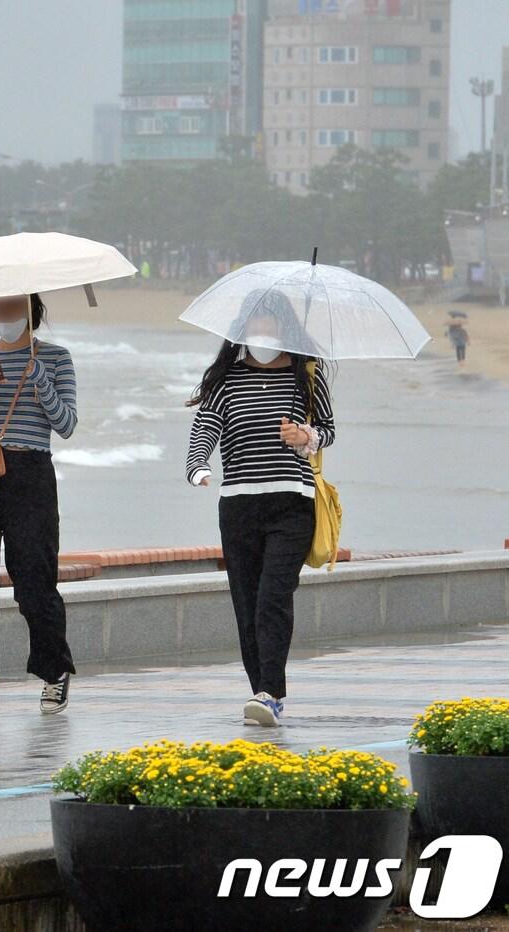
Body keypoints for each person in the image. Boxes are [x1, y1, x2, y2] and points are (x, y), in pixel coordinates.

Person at [185, 290, 335, 727]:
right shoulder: (226, 379)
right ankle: (262, 691)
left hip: (293, 502)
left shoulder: (307, 374)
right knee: (247, 603)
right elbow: (205, 427)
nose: (263, 332)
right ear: (242, 330)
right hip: (238, 506)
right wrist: (196, 465)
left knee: (273, 597)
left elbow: (327, 429)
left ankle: (270, 693)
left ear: (285, 328)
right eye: (256, 324)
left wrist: (305, 437)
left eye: (271, 324)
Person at [0, 293, 78, 721]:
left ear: (30, 310)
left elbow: (66, 425)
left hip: (31, 474)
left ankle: (54, 671)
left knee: (35, 586)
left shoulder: (56, 358)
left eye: (12, 308)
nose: (4, 317)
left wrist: (37, 376)